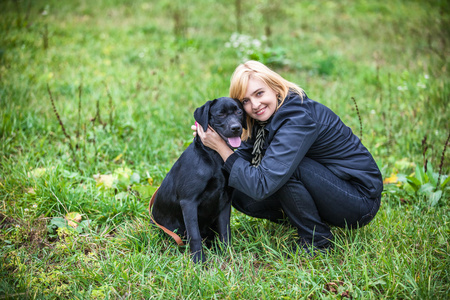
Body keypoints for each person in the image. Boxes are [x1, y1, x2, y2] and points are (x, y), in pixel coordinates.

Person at [192, 60, 383, 255]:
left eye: (259, 93)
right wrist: (213, 138)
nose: (255, 105)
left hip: (358, 200)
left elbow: (262, 184)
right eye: (245, 101)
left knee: (285, 170)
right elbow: (242, 159)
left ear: (275, 88)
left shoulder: (297, 117)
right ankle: (303, 217)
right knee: (236, 184)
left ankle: (317, 240)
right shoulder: (263, 118)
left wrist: (222, 148)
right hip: (329, 186)